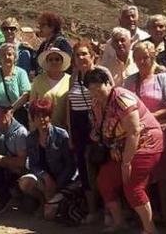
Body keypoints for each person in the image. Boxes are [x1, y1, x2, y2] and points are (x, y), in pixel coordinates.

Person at [87, 66, 163, 233]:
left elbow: (134, 131)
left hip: (146, 143)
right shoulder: (96, 103)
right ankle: (119, 223)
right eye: (91, 88)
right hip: (120, 146)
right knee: (105, 181)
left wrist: (126, 162)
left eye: (98, 86)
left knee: (133, 187)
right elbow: (102, 130)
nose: (95, 91)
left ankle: (150, 230)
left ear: (108, 83)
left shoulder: (122, 98)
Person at [123, 41, 166, 226]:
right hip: (137, 136)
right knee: (141, 178)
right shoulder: (130, 81)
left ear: (152, 58)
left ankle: (165, 215)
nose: (142, 61)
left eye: (145, 57)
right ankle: (145, 217)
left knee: (163, 177)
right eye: (138, 58)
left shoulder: (162, 78)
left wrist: (149, 117)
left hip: (162, 134)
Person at [66, 40, 106, 223]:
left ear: (92, 56)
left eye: (84, 54)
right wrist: (70, 133)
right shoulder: (73, 77)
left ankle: (108, 210)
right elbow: (69, 105)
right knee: (84, 168)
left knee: (101, 167)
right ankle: (92, 211)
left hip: (97, 125)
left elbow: (109, 99)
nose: (81, 58)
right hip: (78, 127)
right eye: (77, 55)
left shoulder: (101, 73)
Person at [18, 98, 77, 220]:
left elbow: (70, 166)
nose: (42, 119)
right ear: (33, 118)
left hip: (64, 180)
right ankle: (43, 201)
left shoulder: (61, 135)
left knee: (49, 216)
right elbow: (33, 164)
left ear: (50, 116)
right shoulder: (31, 138)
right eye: (38, 116)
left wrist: (57, 184)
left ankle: (52, 203)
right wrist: (45, 176)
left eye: (45, 116)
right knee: (25, 182)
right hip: (44, 180)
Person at [0, 104, 29, 211]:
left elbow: (22, 162)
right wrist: (7, 162)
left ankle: (18, 197)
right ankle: (0, 200)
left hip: (17, 173)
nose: (1, 116)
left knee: (28, 207)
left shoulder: (20, 132)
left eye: (5, 112)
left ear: (11, 113)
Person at [0, 42, 31, 120]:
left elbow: (25, 95)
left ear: (15, 57)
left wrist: (11, 110)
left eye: (10, 54)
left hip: (17, 115)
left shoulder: (21, 73)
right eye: (3, 55)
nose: (7, 57)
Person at [29, 47, 71, 129]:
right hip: (42, 129)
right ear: (46, 62)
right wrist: (32, 126)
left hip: (63, 130)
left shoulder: (70, 80)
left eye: (57, 59)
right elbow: (32, 107)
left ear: (62, 62)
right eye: (50, 59)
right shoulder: (38, 80)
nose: (54, 62)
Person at [33, 11, 74, 76]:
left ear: (52, 27)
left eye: (43, 25)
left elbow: (69, 63)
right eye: (39, 24)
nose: (39, 27)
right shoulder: (44, 44)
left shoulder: (61, 43)